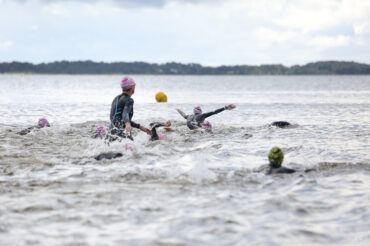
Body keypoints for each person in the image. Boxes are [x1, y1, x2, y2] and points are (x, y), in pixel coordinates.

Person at [108, 76, 151, 142]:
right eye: (134, 86)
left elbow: (119, 118)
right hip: (120, 136)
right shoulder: (129, 100)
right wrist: (128, 124)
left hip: (110, 134)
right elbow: (125, 113)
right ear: (132, 87)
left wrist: (139, 127)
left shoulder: (116, 99)